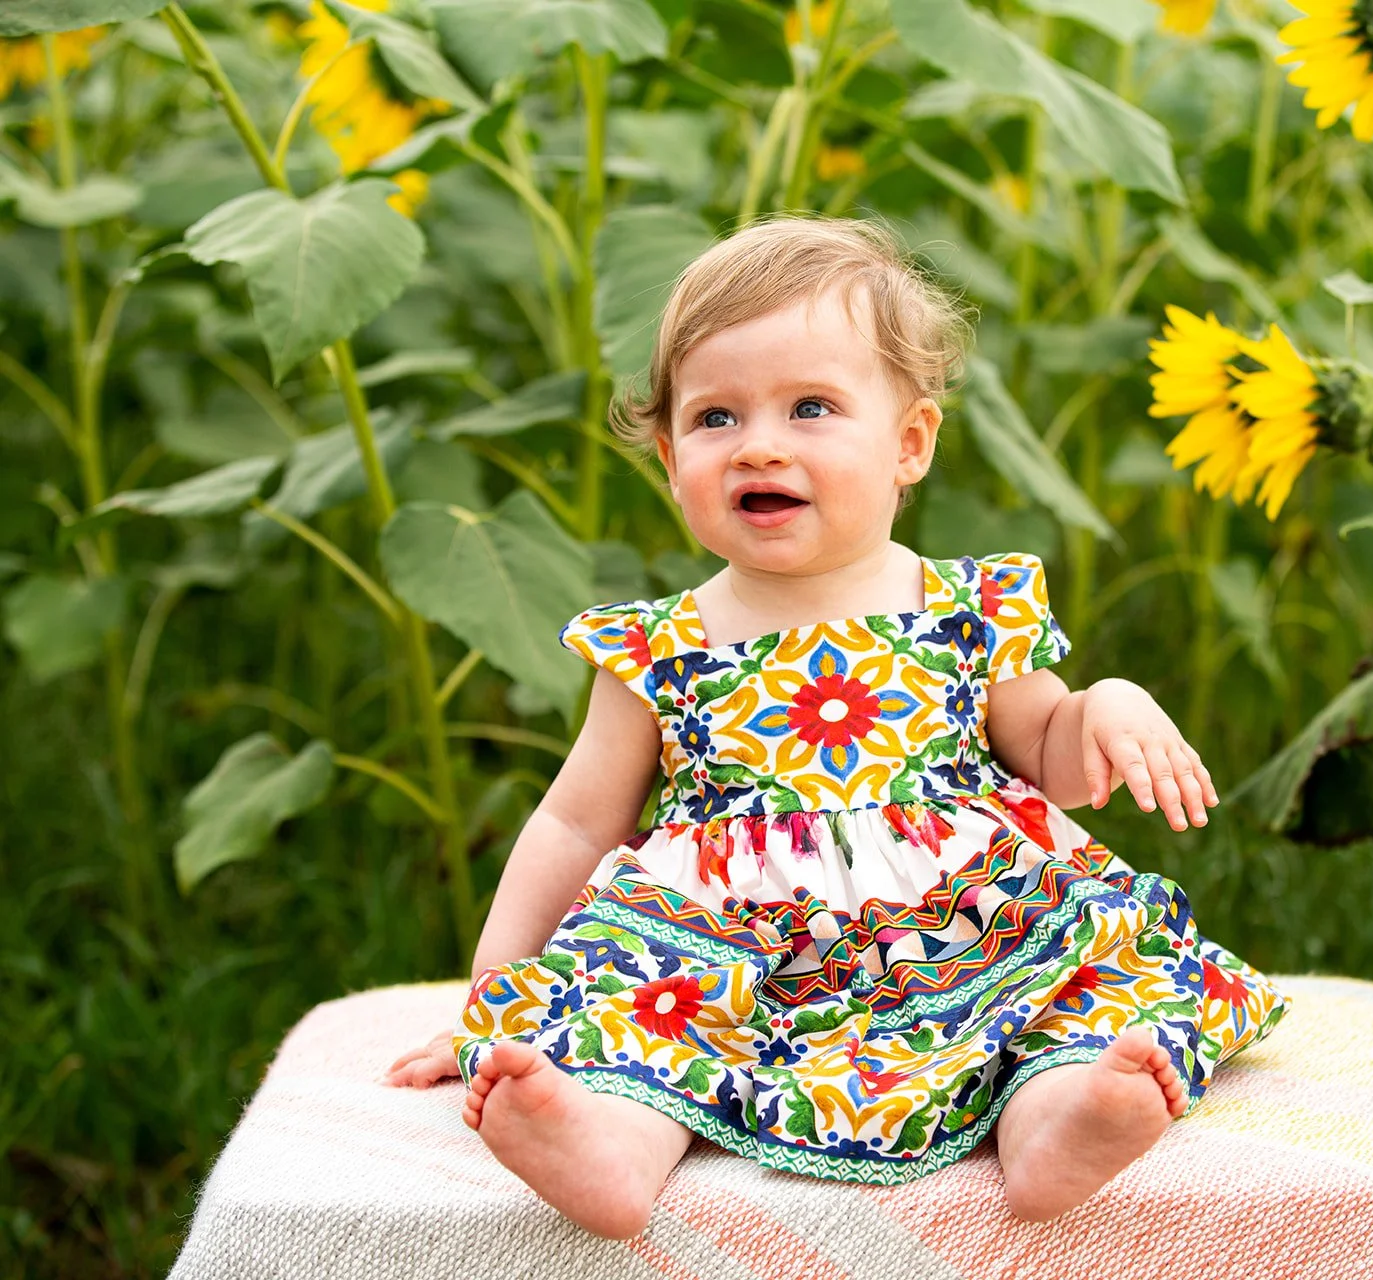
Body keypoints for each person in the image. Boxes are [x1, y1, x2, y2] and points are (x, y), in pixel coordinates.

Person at [381, 214, 1289, 1239]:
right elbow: (575, 827)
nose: (758, 442)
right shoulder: (655, 647)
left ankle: (1061, 1119)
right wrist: (494, 995)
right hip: (725, 959)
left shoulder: (966, 609)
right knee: (626, 1022)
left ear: (909, 442)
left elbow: (1051, 756)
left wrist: (1109, 702)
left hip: (966, 935)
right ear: (670, 450)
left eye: (810, 406)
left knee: (1071, 992)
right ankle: (596, 1143)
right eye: (716, 417)